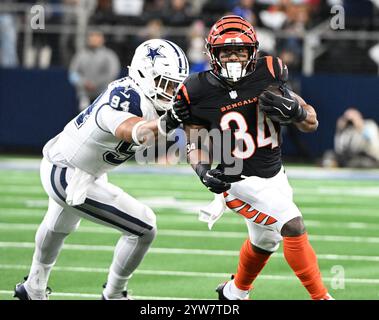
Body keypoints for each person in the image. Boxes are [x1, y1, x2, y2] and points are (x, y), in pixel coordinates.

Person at [172, 15, 333, 300]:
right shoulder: (196, 90)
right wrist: (202, 170)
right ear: (213, 53)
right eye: (226, 51)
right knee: (292, 224)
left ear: (252, 52)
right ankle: (322, 297)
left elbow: (311, 122)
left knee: (265, 241)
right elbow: (194, 141)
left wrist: (296, 112)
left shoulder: (270, 71)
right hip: (237, 179)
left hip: (275, 174)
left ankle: (234, 292)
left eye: (240, 50)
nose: (234, 57)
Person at [14, 38, 189, 300]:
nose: (172, 91)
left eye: (176, 85)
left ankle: (33, 289)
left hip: (79, 168)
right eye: (166, 83)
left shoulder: (147, 99)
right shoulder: (127, 97)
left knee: (58, 227)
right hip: (66, 172)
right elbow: (131, 130)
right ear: (144, 74)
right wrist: (167, 124)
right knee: (144, 227)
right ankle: (114, 294)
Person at [69, 29, 121, 111]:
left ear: (102, 39)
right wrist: (84, 83)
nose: (94, 39)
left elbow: (113, 73)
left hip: (103, 94)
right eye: (91, 36)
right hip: (84, 94)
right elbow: (72, 74)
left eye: (97, 36)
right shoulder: (80, 55)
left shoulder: (109, 55)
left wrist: (96, 84)